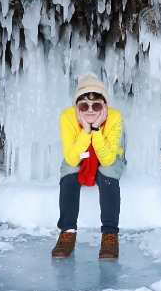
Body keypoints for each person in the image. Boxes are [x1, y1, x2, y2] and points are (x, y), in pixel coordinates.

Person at [52, 71, 124, 260]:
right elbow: (71, 159)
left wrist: (97, 130)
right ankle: (67, 233)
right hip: (79, 155)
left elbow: (108, 159)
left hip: (108, 156)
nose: (90, 109)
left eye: (96, 104)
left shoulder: (115, 117)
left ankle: (110, 234)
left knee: (107, 172)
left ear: (104, 106)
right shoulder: (67, 117)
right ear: (77, 106)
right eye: (84, 104)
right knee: (69, 172)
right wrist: (85, 131)